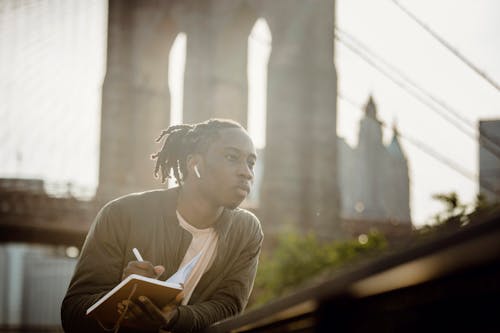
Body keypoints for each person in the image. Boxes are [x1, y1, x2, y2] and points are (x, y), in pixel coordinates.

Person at [61, 119, 263, 333]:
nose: (247, 173)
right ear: (196, 165)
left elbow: (228, 308)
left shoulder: (247, 231)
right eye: (232, 158)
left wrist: (173, 317)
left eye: (251, 163)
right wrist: (120, 295)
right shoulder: (121, 214)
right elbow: (73, 314)